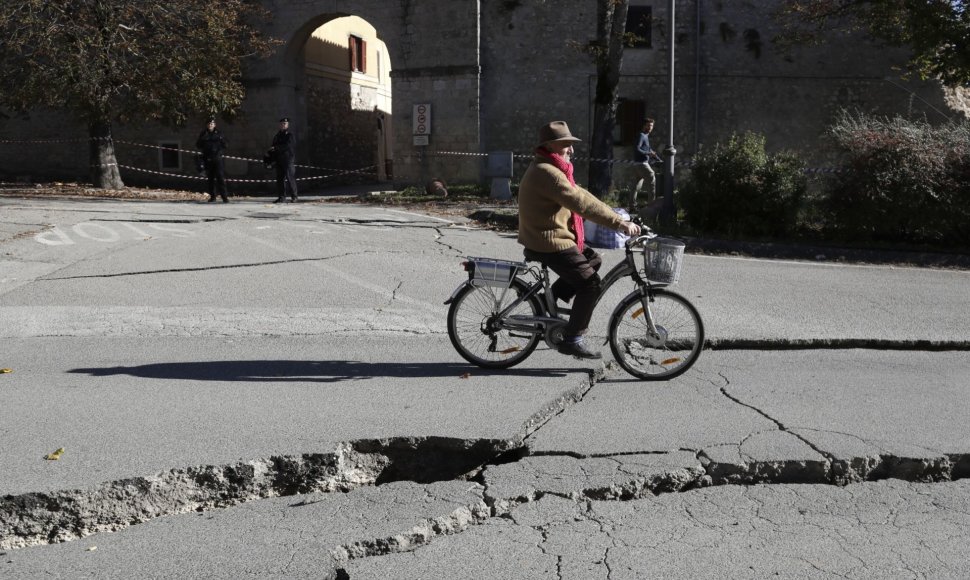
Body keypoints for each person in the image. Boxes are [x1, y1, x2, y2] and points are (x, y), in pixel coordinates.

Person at [518, 121, 641, 359]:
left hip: (548, 236)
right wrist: (619, 224)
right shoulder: (549, 173)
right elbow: (580, 204)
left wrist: (618, 215)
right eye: (566, 145)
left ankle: (545, 303)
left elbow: (581, 194)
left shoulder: (553, 168)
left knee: (592, 259)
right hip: (548, 240)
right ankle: (572, 339)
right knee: (590, 284)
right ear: (550, 145)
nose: (571, 150)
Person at [629, 117, 662, 209]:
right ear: (644, 126)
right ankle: (652, 206)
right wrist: (648, 153)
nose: (650, 128)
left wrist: (658, 159)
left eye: (651, 126)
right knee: (652, 178)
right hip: (642, 164)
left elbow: (649, 150)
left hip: (637, 165)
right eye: (648, 126)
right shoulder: (641, 135)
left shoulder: (645, 136)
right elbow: (637, 148)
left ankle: (632, 206)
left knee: (636, 186)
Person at [196, 118, 229, 203]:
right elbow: (198, 145)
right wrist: (202, 139)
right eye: (209, 123)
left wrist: (221, 141)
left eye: (212, 123)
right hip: (208, 159)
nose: (210, 125)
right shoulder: (204, 134)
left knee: (220, 178)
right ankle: (213, 196)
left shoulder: (219, 134)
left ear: (215, 125)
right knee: (210, 179)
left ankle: (224, 197)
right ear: (207, 125)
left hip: (217, 159)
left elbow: (226, 145)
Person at [270, 117, 298, 203]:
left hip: (288, 160)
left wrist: (276, 148)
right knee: (280, 179)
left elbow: (288, 146)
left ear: (287, 125)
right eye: (282, 123)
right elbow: (273, 147)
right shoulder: (277, 136)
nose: (283, 125)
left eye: (285, 124)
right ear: (280, 125)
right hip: (279, 160)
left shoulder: (290, 135)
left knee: (290, 178)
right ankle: (282, 197)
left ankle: (294, 196)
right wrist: (271, 158)